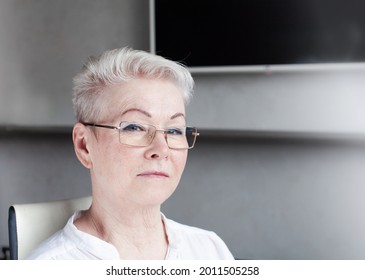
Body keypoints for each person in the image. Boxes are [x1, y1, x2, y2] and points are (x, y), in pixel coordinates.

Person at [27, 47, 234, 260]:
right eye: (134, 127)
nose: (161, 150)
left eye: (173, 130)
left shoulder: (210, 250)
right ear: (84, 145)